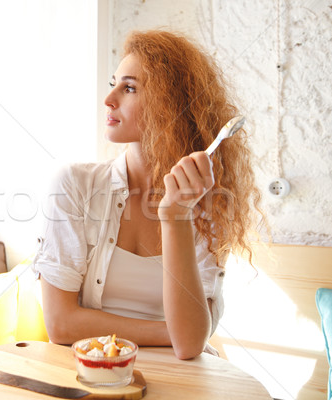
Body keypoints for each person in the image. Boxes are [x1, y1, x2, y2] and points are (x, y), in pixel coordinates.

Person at [31, 30, 261, 359]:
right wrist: (172, 331)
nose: (108, 99)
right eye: (114, 83)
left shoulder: (209, 203)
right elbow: (61, 325)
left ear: (169, 106)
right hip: (97, 374)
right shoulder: (73, 184)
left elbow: (189, 347)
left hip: (185, 379)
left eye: (129, 88)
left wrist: (176, 217)